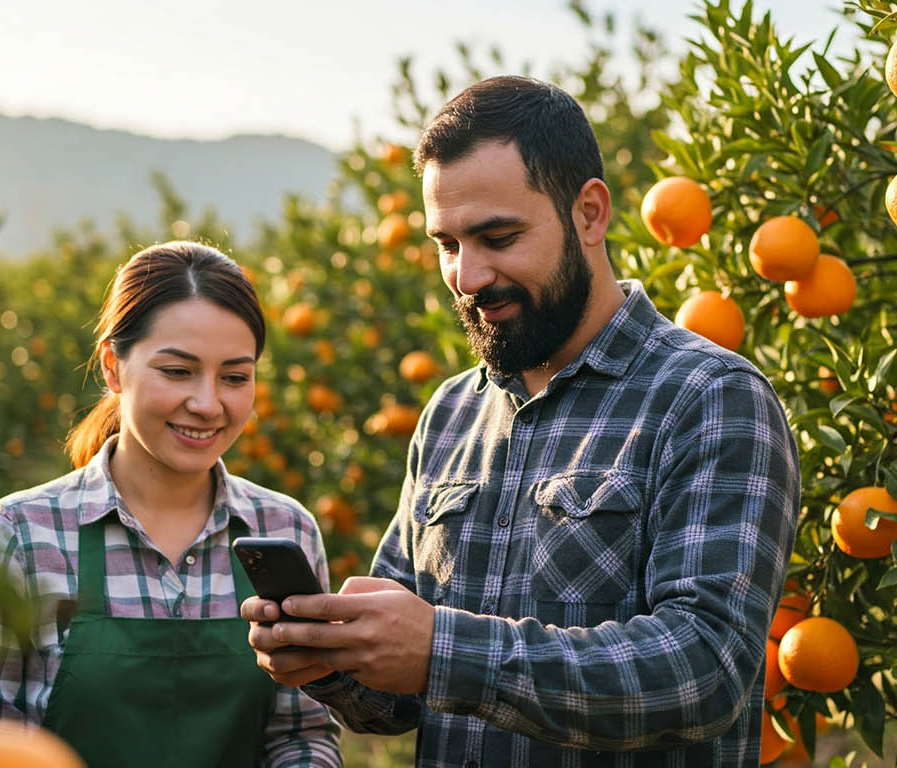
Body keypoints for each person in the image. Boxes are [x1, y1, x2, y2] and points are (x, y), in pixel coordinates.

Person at [242, 76, 801, 766]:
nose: (468, 276)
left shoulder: (710, 399)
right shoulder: (450, 414)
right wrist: (330, 659)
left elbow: (705, 670)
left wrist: (441, 651)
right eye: (448, 245)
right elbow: (397, 699)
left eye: (498, 237)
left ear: (589, 214)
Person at [0, 242, 342, 767]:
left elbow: (301, 733)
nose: (207, 404)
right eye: (177, 371)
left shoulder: (284, 530)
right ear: (112, 366)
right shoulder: (23, 534)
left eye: (235, 377)